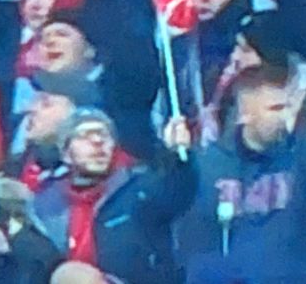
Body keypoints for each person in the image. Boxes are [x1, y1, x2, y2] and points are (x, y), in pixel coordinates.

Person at [179, 63, 306, 283]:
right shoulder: (211, 164)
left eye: (287, 107)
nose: (284, 117)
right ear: (244, 114)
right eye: (274, 109)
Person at [29, 108, 195, 284]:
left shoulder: (140, 191)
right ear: (65, 154)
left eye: (104, 135)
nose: (97, 141)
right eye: (84, 135)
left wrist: (177, 157)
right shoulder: (45, 206)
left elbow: (178, 191)